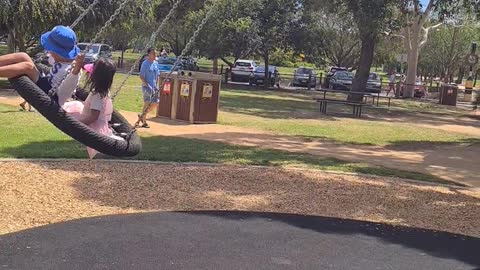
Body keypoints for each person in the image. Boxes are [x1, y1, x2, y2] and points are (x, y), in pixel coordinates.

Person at [0, 25, 81, 106]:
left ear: (59, 52)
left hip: (52, 97)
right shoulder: (60, 59)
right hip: (45, 83)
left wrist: (76, 69)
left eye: (52, 50)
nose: (50, 52)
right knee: (23, 56)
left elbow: (66, 91)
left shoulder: (73, 71)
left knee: (27, 67)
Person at [63, 58, 124, 159]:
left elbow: (93, 117)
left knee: (99, 152)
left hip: (95, 129)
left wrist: (77, 124)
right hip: (98, 125)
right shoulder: (103, 93)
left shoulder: (97, 95)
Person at [135, 47, 160, 128]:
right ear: (149, 54)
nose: (155, 55)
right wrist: (147, 85)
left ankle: (142, 116)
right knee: (147, 103)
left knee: (155, 103)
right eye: (153, 53)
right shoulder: (145, 63)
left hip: (154, 87)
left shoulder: (156, 63)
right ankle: (144, 122)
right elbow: (141, 76)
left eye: (155, 53)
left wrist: (156, 84)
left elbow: (157, 75)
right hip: (146, 87)